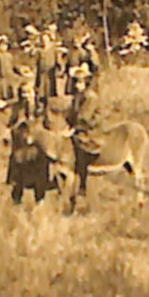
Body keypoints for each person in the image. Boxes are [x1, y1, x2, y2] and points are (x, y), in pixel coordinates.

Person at [67, 63, 103, 199]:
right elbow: (71, 115)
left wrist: (74, 129)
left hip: (91, 130)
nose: (77, 85)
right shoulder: (77, 96)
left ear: (86, 82)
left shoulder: (90, 97)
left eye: (80, 82)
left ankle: (83, 184)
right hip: (78, 128)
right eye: (76, 81)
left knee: (80, 149)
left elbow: (84, 117)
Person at [34, 25, 63, 103]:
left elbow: (58, 60)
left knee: (50, 88)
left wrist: (60, 67)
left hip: (50, 73)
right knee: (41, 89)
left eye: (46, 40)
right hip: (42, 73)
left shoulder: (53, 49)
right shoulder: (39, 52)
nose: (44, 41)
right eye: (43, 40)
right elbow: (37, 64)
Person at [0, 36, 18, 111]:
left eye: (5, 45)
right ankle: (1, 108)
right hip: (1, 77)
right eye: (2, 45)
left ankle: (7, 107)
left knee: (9, 92)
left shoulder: (9, 55)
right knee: (1, 92)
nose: (3, 47)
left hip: (9, 77)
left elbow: (13, 65)